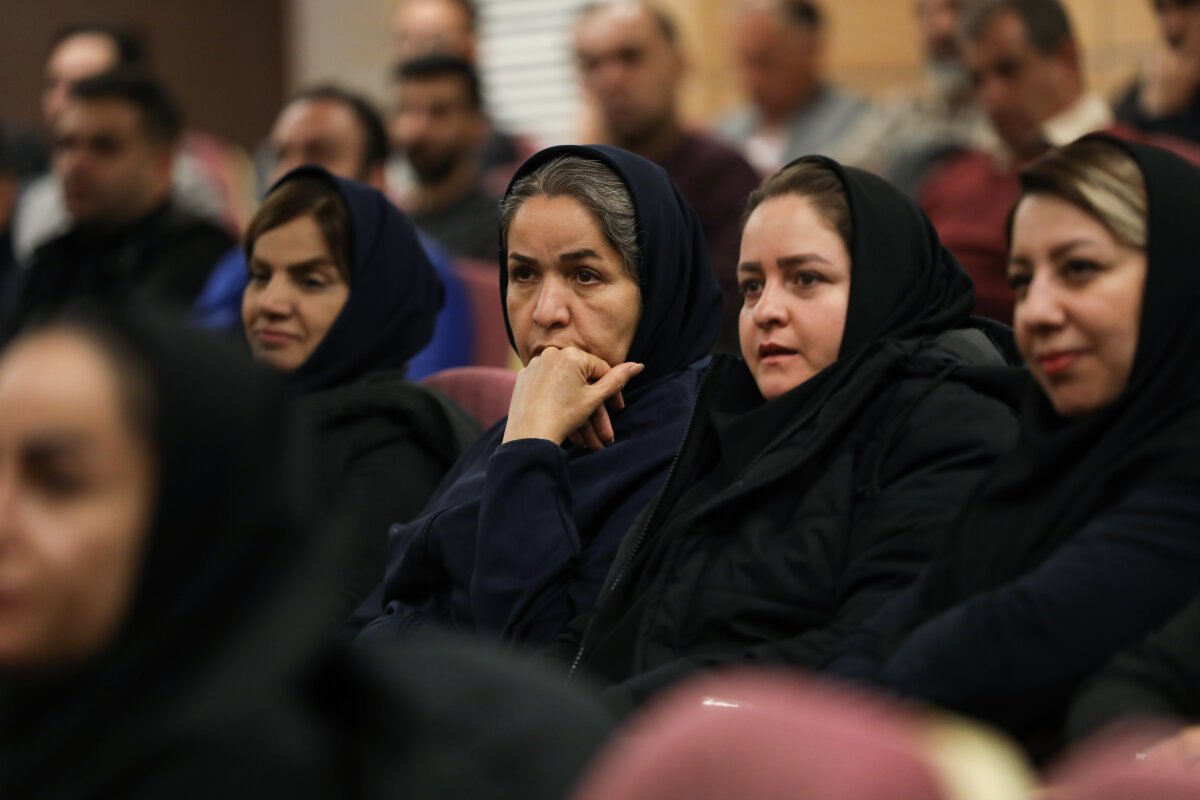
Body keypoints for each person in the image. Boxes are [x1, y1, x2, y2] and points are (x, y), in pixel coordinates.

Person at [0, 304, 614, 799]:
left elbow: (524, 631)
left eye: (59, 483)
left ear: (185, 515)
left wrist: (530, 449)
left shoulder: (270, 769)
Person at [553, 155, 1021, 706]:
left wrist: (634, 714)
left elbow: (878, 645)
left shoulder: (952, 424)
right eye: (752, 286)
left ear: (883, 282)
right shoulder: (734, 422)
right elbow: (611, 625)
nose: (766, 311)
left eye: (805, 279)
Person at [825, 135, 1200, 762]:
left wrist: (840, 726)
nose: (1038, 312)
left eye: (1078, 269)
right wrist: (828, 721)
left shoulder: (1187, 468)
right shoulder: (1038, 461)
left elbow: (1004, 639)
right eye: (1022, 281)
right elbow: (892, 624)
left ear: (1178, 277)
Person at [349, 145, 721, 647]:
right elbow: (389, 597)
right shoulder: (524, 421)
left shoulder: (689, 457)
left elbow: (529, 655)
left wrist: (529, 449)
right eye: (523, 274)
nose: (546, 312)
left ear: (659, 286)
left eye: (584, 275)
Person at [243, 166, 480, 612]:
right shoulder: (243, 413)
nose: (270, 303)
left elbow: (319, 624)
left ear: (374, 301)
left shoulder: (397, 447)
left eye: (311, 281)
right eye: (259, 275)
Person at [916, 0, 1200, 324]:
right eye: (977, 80)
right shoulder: (949, 177)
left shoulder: (1140, 168)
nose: (992, 97)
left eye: (1009, 69)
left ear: (1067, 57)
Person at [190, 84, 473, 378]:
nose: (290, 172)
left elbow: (421, 387)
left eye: (319, 153)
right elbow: (194, 354)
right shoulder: (252, 256)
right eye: (282, 154)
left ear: (375, 179)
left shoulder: (420, 273)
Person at [574, 1, 761, 352]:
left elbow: (723, 311)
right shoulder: (573, 185)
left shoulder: (724, 174)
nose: (611, 79)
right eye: (592, 63)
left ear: (678, 64)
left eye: (630, 57)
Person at [11, 70, 233, 328]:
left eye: (104, 146)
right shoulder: (51, 259)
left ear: (161, 164)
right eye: (66, 145)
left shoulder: (198, 253)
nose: (75, 165)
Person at [12, 21, 234, 264]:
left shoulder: (190, 193)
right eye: (54, 84)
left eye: (86, 83)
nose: (62, 102)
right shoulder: (36, 203)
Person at [836, 0, 996, 192]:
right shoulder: (899, 109)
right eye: (927, 13)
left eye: (956, 8)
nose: (940, 27)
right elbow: (829, 174)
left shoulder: (1005, 112)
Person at [389, 0, 532, 190]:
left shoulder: (516, 170)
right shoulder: (380, 160)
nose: (420, 54)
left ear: (471, 47)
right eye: (407, 40)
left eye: (436, 40)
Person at [717, 0, 872, 174]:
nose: (753, 79)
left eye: (766, 63)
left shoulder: (861, 125)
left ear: (810, 50)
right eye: (745, 62)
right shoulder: (724, 133)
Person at [389, 54, 501, 262]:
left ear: (477, 125)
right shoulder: (387, 226)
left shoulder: (506, 229)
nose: (419, 129)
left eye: (439, 112)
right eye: (408, 110)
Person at [1114, 0, 1200, 145]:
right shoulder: (1147, 88)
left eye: (1185, 5)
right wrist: (1156, 111)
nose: (1173, 26)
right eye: (1160, 9)